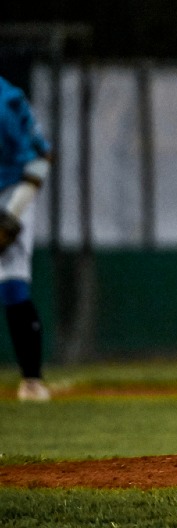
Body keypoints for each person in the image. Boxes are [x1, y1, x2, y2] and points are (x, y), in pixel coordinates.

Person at [0, 75, 53, 402]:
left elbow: (39, 160)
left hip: (10, 191)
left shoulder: (7, 102)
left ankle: (31, 381)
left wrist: (12, 215)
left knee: (12, 282)